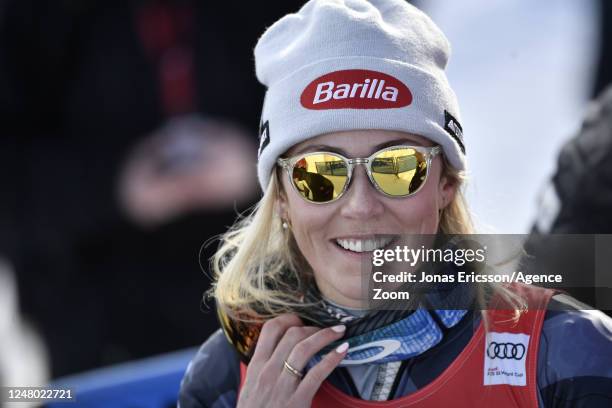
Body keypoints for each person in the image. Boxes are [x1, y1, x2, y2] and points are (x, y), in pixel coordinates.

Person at [179, 1, 612, 407]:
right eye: (320, 175)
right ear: (283, 199)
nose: (361, 206)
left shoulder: (566, 349)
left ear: (445, 182)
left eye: (398, 167)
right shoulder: (227, 375)